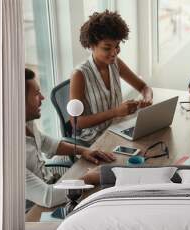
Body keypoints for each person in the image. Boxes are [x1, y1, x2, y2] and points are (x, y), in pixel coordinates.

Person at [25, 68, 115, 208]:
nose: (43, 98)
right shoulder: (8, 157)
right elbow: (48, 198)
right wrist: (89, 177)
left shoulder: (26, 122)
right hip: (35, 208)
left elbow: (45, 142)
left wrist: (84, 151)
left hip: (52, 185)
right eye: (36, 94)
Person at [70, 10, 153, 144]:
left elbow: (144, 87)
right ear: (92, 46)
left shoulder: (115, 63)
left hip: (118, 130)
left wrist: (147, 98)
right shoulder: (79, 74)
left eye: (117, 46)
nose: (114, 53)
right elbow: (76, 122)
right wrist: (115, 112)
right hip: (93, 141)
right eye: (107, 48)